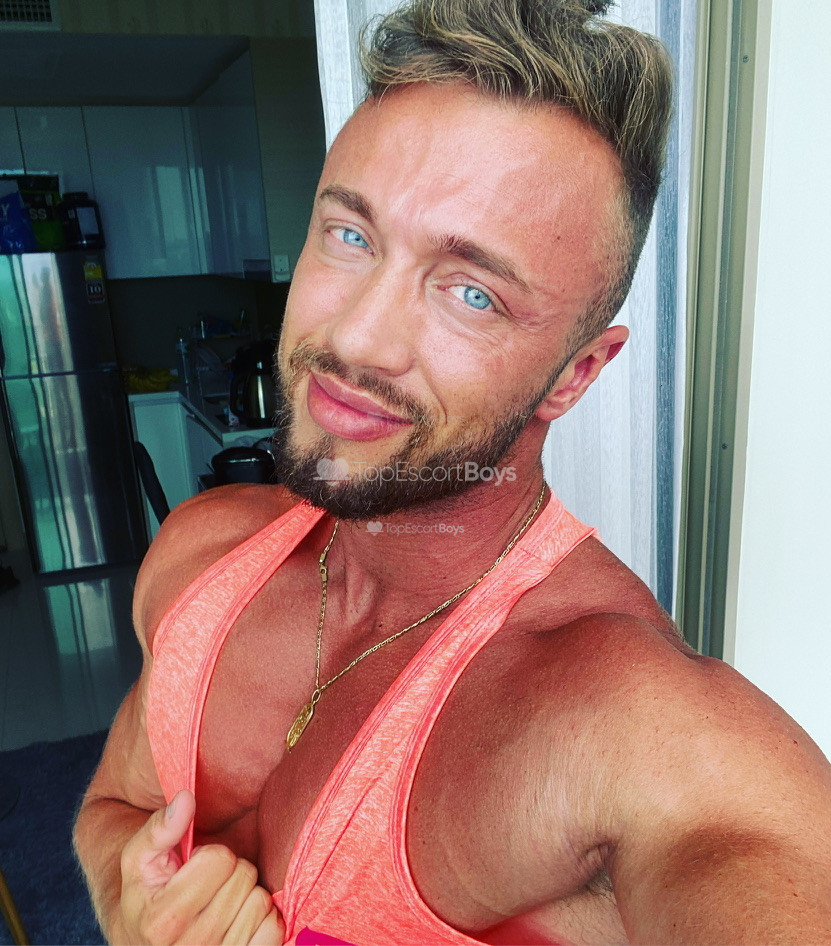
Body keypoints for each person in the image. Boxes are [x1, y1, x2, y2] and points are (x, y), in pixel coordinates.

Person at [74, 1, 831, 943]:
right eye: (351, 236)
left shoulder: (627, 728)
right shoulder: (205, 550)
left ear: (576, 374)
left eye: (471, 292)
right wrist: (131, 904)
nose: (356, 338)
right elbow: (113, 808)